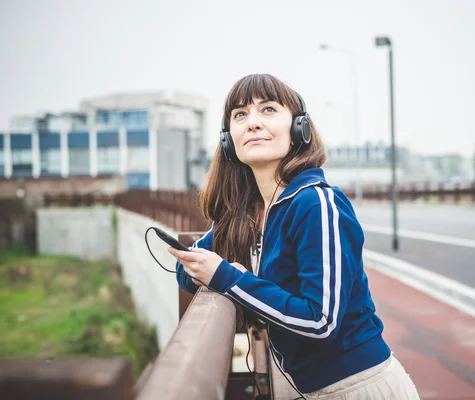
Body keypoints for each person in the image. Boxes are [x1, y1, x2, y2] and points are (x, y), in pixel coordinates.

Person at [169, 73, 420, 399]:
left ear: (299, 128)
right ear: (228, 138)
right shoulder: (250, 213)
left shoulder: (315, 203)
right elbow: (185, 272)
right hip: (308, 389)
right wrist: (215, 264)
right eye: (240, 114)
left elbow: (321, 322)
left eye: (268, 109)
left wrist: (228, 278)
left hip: (358, 386)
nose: (253, 123)